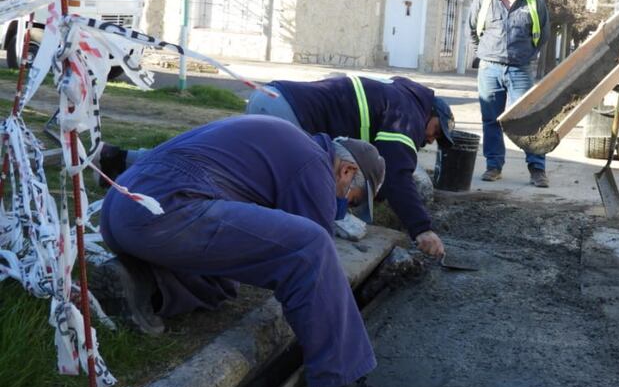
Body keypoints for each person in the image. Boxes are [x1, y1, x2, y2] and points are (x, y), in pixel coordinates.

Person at [93, 115, 412, 387]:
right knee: (311, 247)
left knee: (225, 281)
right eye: (351, 199)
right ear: (347, 171)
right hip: (167, 210)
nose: (342, 203)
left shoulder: (291, 142)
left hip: (124, 209)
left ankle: (142, 286)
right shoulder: (315, 164)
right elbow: (317, 265)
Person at [100, 75, 455, 258]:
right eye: (436, 133)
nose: (429, 141)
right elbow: (397, 176)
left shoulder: (398, 95)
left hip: (274, 98)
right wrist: (422, 229)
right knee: (269, 196)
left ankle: (122, 161)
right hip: (291, 115)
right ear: (432, 115)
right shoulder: (409, 115)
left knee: (224, 163)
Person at [468, 0, 551, 187]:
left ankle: (537, 168)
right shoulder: (483, 1)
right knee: (491, 120)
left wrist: (526, 57)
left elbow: (543, 36)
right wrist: (485, 55)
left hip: (521, 70)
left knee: (528, 119)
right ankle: (493, 166)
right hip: (490, 69)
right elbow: (473, 31)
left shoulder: (535, 2)